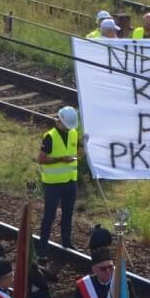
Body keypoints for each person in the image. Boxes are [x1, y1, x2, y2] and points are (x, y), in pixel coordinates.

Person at [72, 228, 137, 298]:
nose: (108, 271)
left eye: (110, 267)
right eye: (103, 269)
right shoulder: (84, 286)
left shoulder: (124, 284)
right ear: (94, 270)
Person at [37, 107, 83, 251]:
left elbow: (78, 153)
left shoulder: (74, 133)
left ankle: (66, 242)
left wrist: (84, 147)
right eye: (67, 126)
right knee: (49, 216)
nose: (69, 129)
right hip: (53, 183)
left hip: (70, 181)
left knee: (68, 214)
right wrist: (60, 159)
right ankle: (42, 247)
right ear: (60, 122)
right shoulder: (50, 136)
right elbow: (41, 159)